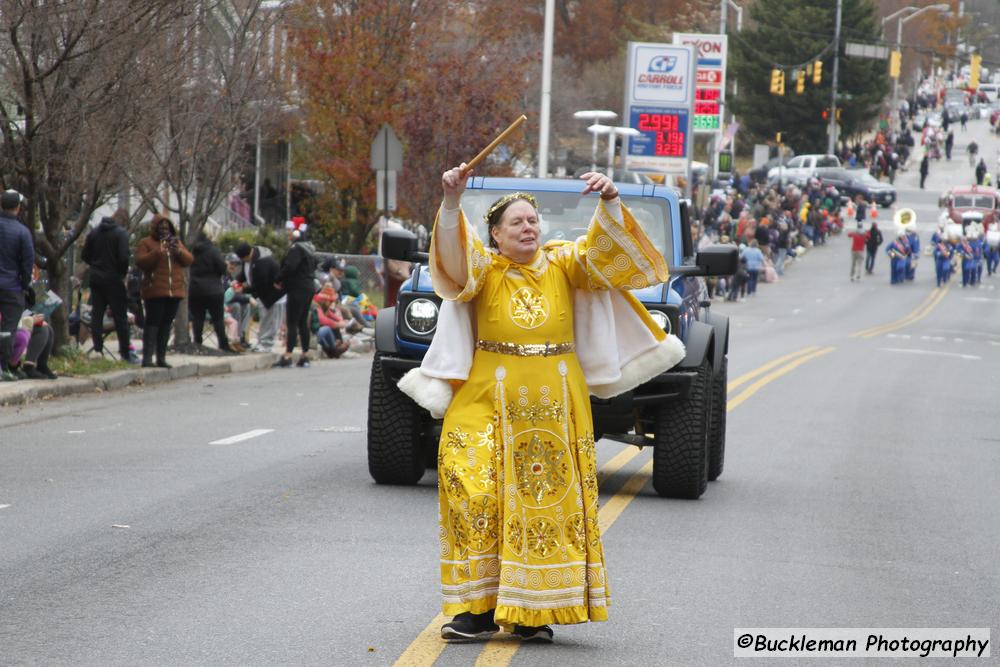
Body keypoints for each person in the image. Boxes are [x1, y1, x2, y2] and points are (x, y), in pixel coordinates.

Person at [397, 165, 683, 644]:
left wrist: (610, 201)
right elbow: (450, 260)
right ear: (496, 234)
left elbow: (611, 260)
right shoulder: (482, 269)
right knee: (474, 489)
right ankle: (478, 609)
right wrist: (451, 201)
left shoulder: (565, 263)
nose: (528, 228)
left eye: (533, 220)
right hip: (485, 396)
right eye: (517, 223)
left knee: (541, 505)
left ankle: (532, 612)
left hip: (552, 404)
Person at [134, 214, 193, 368]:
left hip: (174, 291)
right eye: (161, 227)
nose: (164, 230)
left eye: (167, 227)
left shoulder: (176, 242)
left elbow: (189, 260)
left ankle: (161, 357)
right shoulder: (146, 243)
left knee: (166, 324)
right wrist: (159, 251)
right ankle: (147, 358)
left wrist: (178, 251)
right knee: (153, 323)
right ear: (155, 228)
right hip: (155, 291)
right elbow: (141, 262)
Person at [81, 209, 135, 362]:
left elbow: (84, 255)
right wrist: (121, 273)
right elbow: (124, 257)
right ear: (123, 221)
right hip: (114, 279)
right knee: (120, 316)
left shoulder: (94, 233)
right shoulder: (121, 233)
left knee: (97, 314)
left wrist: (96, 265)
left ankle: (98, 349)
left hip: (96, 279)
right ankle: (125, 352)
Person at [273, 217, 317, 368]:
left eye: (290, 230)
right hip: (309, 287)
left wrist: (278, 279)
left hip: (297, 288)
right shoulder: (310, 248)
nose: (288, 233)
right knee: (303, 322)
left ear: (296, 232)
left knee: (292, 322)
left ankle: (288, 356)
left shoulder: (296, 249)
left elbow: (290, 267)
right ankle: (305, 356)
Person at [0, 190, 33, 382]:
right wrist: (24, 283)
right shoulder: (22, 231)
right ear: (18, 208)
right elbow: (27, 262)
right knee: (8, 329)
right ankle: (2, 366)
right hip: (12, 287)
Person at [188, 232, 234, 352]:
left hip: (195, 289)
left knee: (197, 318)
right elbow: (222, 268)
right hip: (213, 289)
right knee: (218, 319)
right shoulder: (212, 250)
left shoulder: (190, 250)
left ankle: (197, 343)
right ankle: (223, 344)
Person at [235, 241, 284, 352]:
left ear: (247, 255)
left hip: (273, 296)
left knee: (270, 321)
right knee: (264, 320)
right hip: (263, 295)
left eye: (243, 259)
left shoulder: (263, 262)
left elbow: (261, 284)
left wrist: (244, 289)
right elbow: (245, 273)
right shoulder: (248, 260)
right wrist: (237, 281)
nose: (243, 262)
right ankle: (261, 343)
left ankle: (266, 345)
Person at [311, 285, 349, 358]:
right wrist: (338, 324)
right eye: (330, 301)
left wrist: (341, 321)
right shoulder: (315, 306)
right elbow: (323, 320)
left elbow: (331, 315)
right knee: (327, 328)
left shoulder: (322, 305)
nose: (331, 303)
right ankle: (335, 349)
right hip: (311, 334)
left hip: (314, 333)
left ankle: (331, 351)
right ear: (324, 300)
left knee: (330, 328)